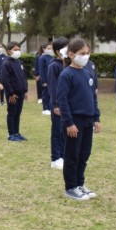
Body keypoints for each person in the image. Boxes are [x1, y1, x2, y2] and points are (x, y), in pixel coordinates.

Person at [56, 38, 100, 201]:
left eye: (88, 53)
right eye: (82, 53)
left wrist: (96, 118)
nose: (86, 56)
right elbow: (62, 101)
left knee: (84, 154)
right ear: (71, 54)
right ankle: (70, 187)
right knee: (72, 155)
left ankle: (80, 183)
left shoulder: (87, 73)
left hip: (88, 121)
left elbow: (93, 98)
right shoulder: (66, 75)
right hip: (74, 122)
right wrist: (69, 123)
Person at [0, 41, 29, 142]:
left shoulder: (19, 62)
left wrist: (25, 90)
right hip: (13, 94)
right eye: (15, 50)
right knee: (12, 113)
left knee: (18, 113)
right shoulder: (6, 63)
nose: (17, 51)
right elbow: (5, 79)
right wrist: (11, 93)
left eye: (19, 50)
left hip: (20, 93)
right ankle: (11, 133)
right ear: (9, 51)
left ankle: (17, 132)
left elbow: (23, 77)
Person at [47, 37, 68, 170]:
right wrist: (56, 105)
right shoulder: (54, 65)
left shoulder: (68, 64)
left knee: (66, 130)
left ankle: (64, 155)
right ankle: (56, 158)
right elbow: (53, 87)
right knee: (57, 130)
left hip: (68, 103)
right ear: (57, 51)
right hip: (57, 104)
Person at [37, 42, 54, 116]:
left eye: (51, 48)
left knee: (50, 94)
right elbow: (41, 70)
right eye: (48, 49)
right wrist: (43, 81)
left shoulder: (51, 57)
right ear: (44, 49)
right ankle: (45, 109)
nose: (50, 50)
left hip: (51, 78)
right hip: (45, 79)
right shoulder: (42, 58)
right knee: (45, 94)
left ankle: (50, 108)